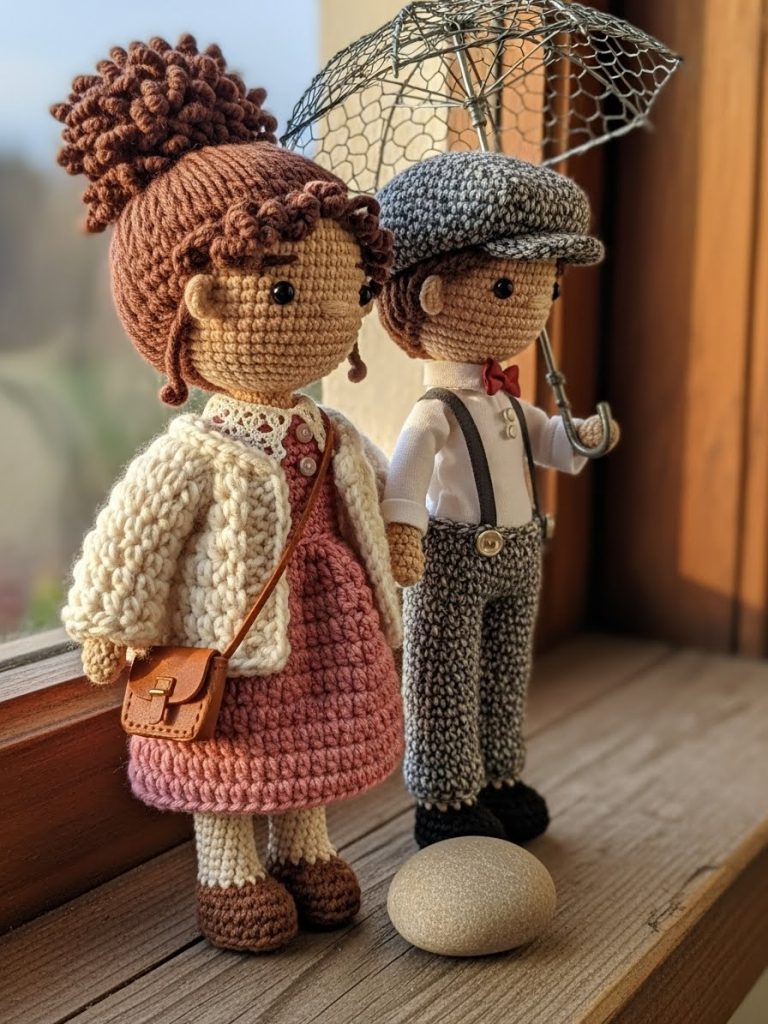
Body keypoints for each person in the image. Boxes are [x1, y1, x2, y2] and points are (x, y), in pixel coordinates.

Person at [54, 34, 403, 952]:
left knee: (311, 744)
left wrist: (399, 538)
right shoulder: (197, 453)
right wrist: (109, 624)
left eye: (349, 287)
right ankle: (229, 870)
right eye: (289, 292)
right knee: (231, 756)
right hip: (230, 639)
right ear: (197, 309)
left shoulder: (328, 431)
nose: (332, 313)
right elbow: (133, 537)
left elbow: (375, 488)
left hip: (322, 624)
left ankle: (306, 848)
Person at [376, 151, 619, 849]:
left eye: (548, 287)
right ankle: (446, 793)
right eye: (513, 285)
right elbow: (404, 480)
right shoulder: (436, 410)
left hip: (519, 554)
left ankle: (500, 775)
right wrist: (402, 535)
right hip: (452, 558)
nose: (536, 306)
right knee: (442, 675)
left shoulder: (509, 401)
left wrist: (582, 434)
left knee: (507, 670)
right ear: (432, 295)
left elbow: (550, 444)